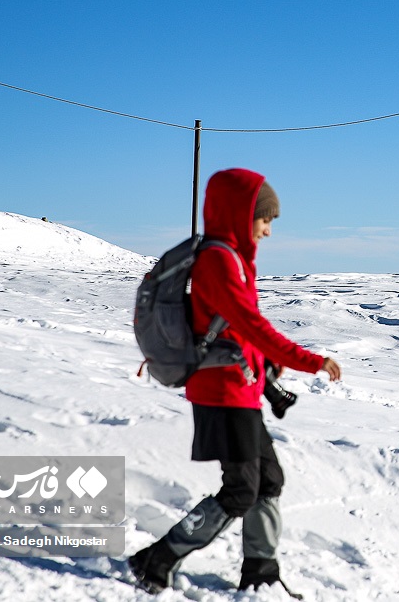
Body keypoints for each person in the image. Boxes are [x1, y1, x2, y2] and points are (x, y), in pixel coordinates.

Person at [129, 168, 341, 594]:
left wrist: (265, 363)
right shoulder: (219, 260)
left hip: (239, 389)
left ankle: (260, 571)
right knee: (241, 491)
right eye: (265, 219)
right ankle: (158, 556)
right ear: (242, 215)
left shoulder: (234, 260)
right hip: (222, 393)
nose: (268, 230)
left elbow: (236, 330)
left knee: (268, 480)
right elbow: (252, 323)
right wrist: (309, 361)